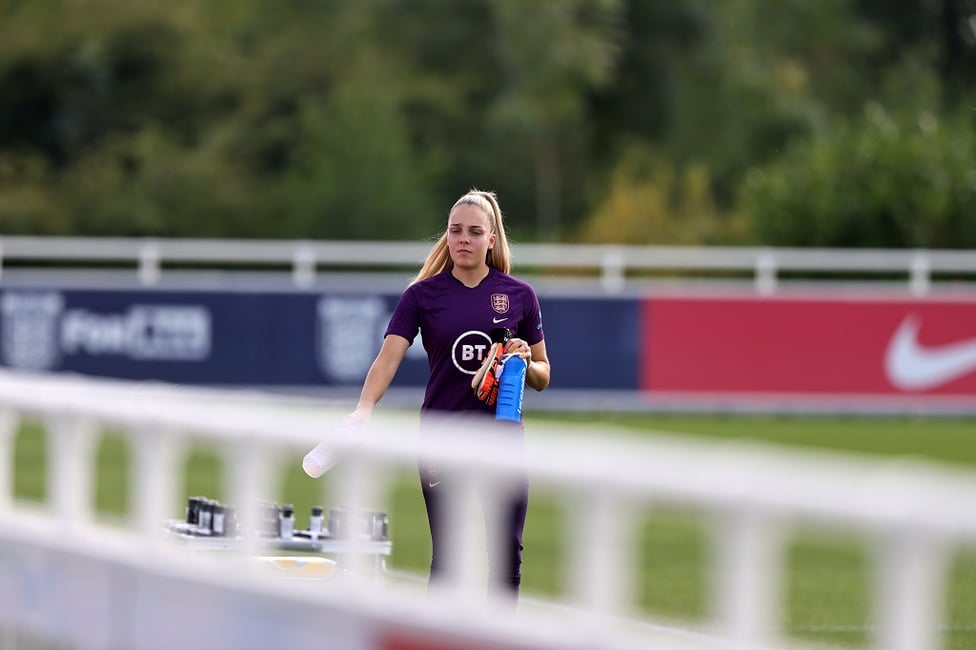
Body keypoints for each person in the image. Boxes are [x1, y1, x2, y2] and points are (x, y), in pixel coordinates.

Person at [344, 188, 551, 598]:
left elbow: (544, 374)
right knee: (450, 559)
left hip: (502, 439)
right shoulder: (422, 296)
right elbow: (387, 360)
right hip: (441, 438)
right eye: (456, 231)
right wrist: (364, 407)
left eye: (474, 232)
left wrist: (523, 360)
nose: (463, 239)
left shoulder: (519, 295)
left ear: (491, 239)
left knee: (506, 556)